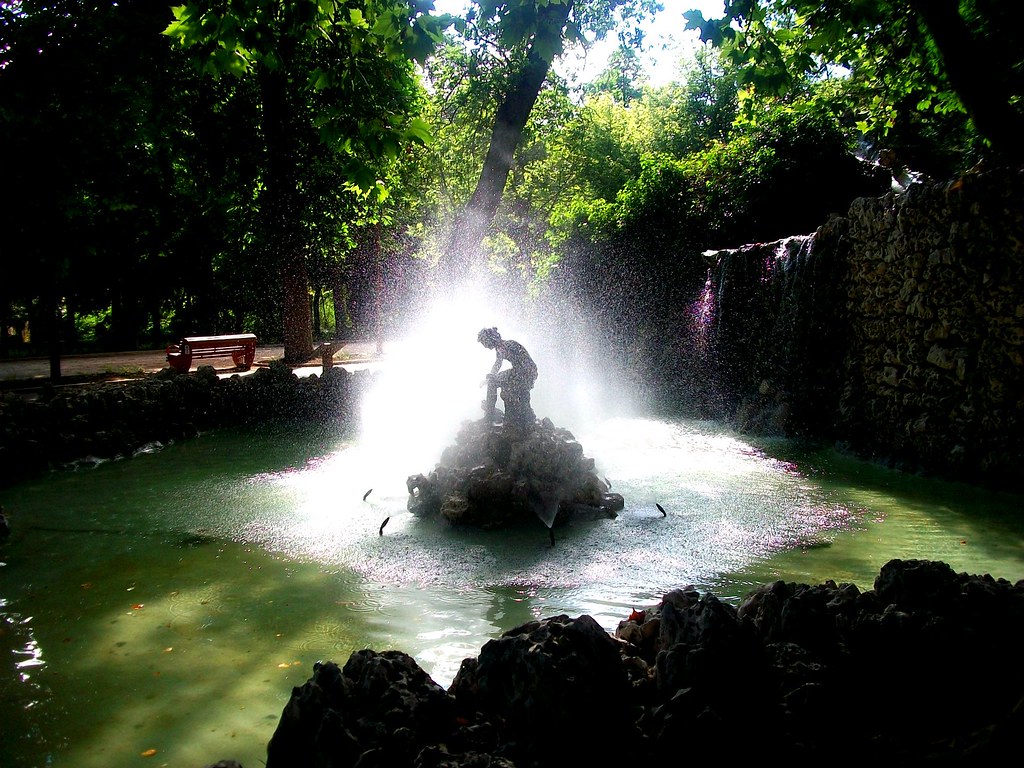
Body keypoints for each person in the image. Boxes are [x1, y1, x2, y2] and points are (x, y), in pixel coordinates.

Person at [477, 327, 538, 426]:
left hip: (525, 372)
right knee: (494, 382)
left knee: (495, 383)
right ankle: (493, 414)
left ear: (490, 339)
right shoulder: (502, 347)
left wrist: (493, 379)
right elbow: (497, 364)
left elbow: (522, 362)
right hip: (524, 372)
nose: (485, 346)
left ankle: (489, 415)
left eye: (484, 342)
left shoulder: (507, 345)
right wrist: (490, 378)